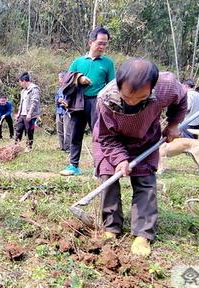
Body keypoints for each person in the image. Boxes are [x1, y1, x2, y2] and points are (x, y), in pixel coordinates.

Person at [93, 58, 186, 257]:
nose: (133, 102)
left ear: (152, 88)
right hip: (111, 139)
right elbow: (106, 138)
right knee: (109, 178)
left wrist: (173, 124)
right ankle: (111, 227)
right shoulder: (105, 100)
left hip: (145, 138)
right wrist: (120, 160)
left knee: (145, 181)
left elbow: (182, 99)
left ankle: (143, 234)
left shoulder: (166, 86)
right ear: (118, 85)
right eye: (127, 97)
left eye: (141, 98)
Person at [60, 26, 116, 176]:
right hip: (78, 102)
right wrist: (79, 78)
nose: (102, 47)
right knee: (75, 134)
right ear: (91, 42)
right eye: (100, 43)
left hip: (97, 103)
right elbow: (66, 79)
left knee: (98, 135)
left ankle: (99, 166)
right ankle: (73, 166)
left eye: (105, 43)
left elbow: (112, 85)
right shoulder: (78, 62)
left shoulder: (108, 63)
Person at [14, 72, 42, 152]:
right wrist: (18, 113)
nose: (20, 84)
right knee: (18, 129)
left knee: (29, 130)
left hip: (30, 115)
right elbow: (21, 103)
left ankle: (28, 146)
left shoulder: (34, 89)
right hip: (22, 114)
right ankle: (16, 145)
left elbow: (34, 102)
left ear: (24, 81)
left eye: (20, 82)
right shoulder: (23, 91)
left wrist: (29, 113)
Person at [55, 71, 72, 152]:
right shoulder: (59, 89)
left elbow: (71, 100)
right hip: (59, 111)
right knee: (59, 130)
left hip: (66, 111)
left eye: (60, 78)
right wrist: (58, 100)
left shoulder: (70, 88)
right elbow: (56, 99)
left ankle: (67, 147)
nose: (59, 80)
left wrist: (65, 102)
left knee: (67, 131)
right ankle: (62, 147)